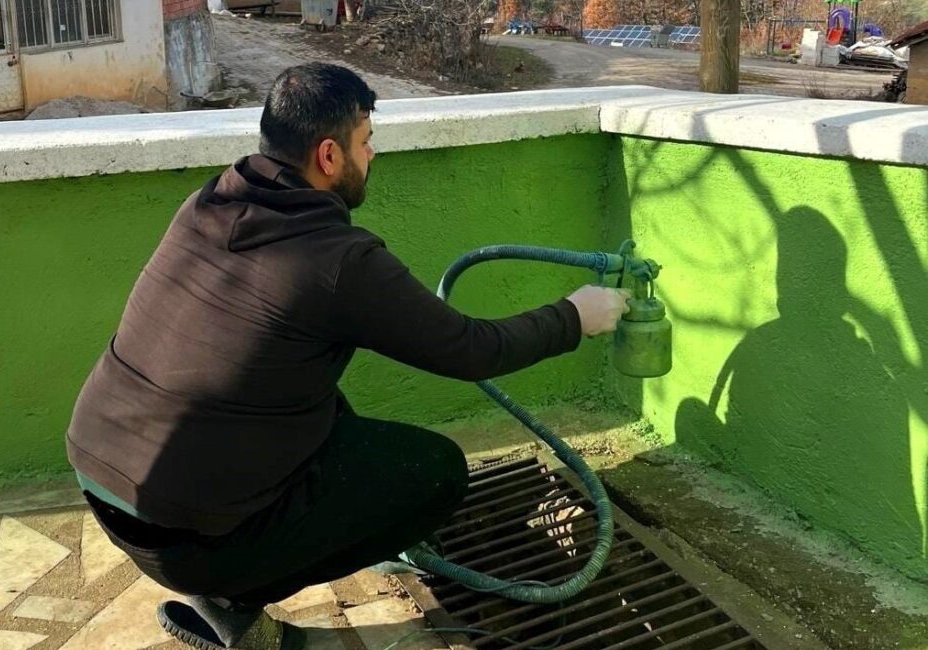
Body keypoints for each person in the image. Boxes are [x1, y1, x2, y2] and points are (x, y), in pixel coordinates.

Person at [65, 63, 631, 650]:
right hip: (183, 537)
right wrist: (576, 316)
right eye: (366, 142)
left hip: (103, 480)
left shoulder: (209, 203)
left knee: (320, 399)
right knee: (434, 473)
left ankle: (229, 569)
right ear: (329, 156)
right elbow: (471, 349)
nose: (374, 154)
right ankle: (234, 594)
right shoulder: (338, 261)